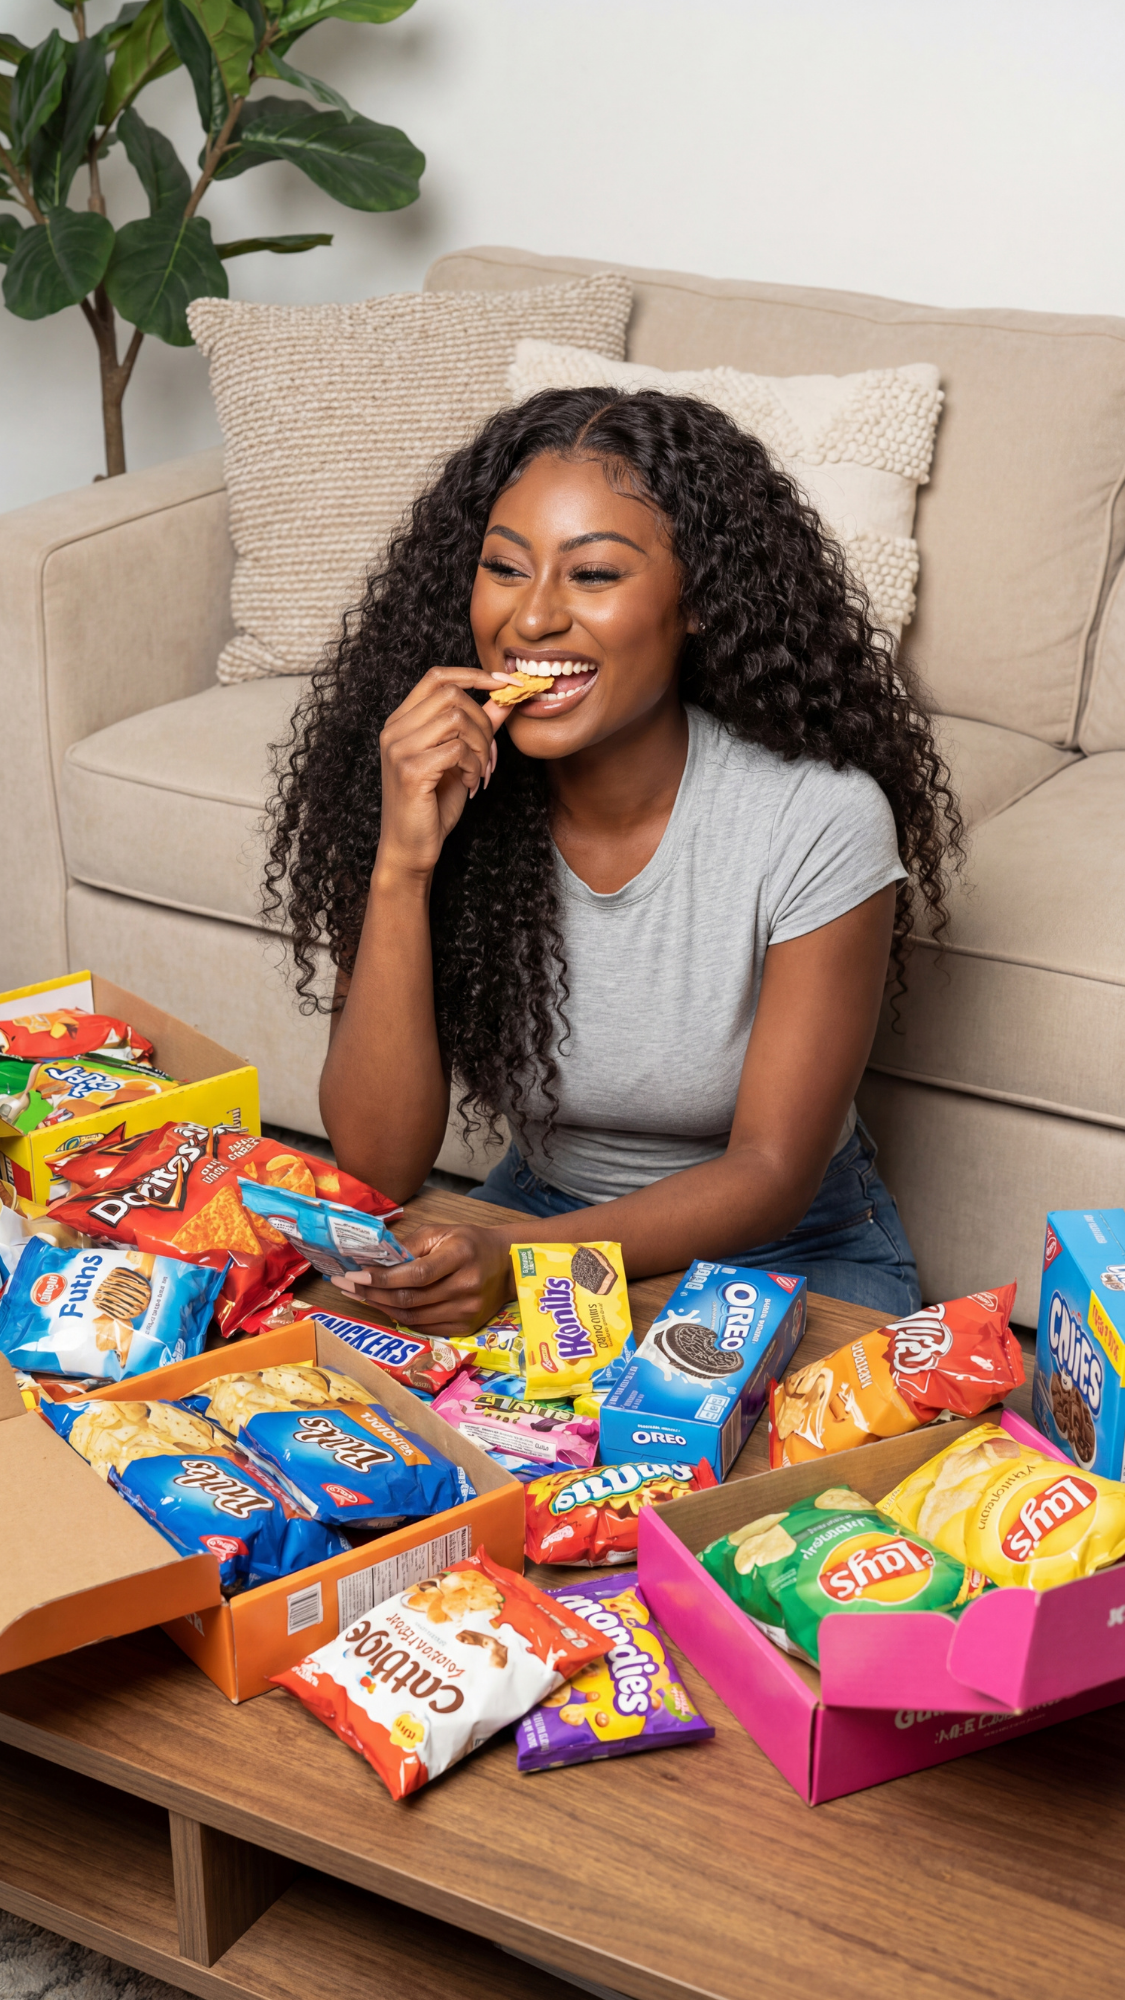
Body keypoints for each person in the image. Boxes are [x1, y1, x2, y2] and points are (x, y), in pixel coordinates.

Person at [265, 388, 961, 1339]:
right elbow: (380, 1167)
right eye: (504, 569)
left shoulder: (817, 816)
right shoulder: (424, 791)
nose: (532, 619)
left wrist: (520, 1265)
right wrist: (402, 863)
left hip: (790, 1245)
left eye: (592, 574)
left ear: (699, 602)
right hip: (536, 1211)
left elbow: (769, 1171)